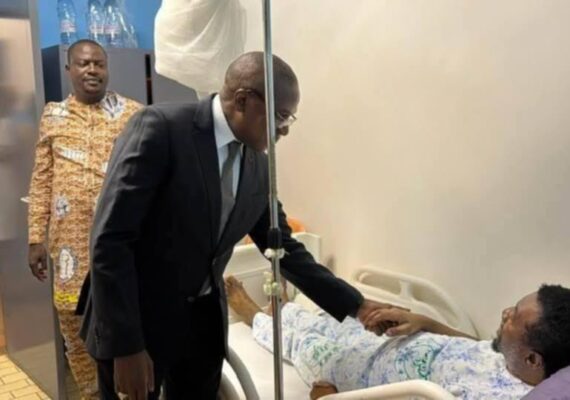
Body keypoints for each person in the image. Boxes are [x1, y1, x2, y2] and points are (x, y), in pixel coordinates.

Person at [78, 51, 399, 400]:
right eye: (280, 116)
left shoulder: (258, 165)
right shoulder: (162, 128)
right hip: (139, 321)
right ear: (244, 100)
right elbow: (111, 239)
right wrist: (126, 346)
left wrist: (358, 306)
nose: (284, 129)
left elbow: (284, 248)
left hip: (201, 327)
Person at [225, 276, 570, 400]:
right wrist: (422, 321)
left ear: (533, 359)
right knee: (334, 323)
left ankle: (255, 315)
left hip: (364, 375)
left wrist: (329, 398)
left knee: (307, 345)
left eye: (513, 317)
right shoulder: (510, 358)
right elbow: (470, 345)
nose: (505, 312)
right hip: (391, 341)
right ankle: (284, 310)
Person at [27, 39, 142, 399]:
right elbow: (42, 178)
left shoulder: (133, 114)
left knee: (122, 320)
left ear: (107, 69)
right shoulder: (53, 116)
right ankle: (92, 394)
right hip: (69, 249)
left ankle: (123, 391)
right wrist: (35, 237)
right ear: (69, 70)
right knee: (74, 326)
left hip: (122, 244)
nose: (92, 70)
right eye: (83, 64)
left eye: (98, 64)